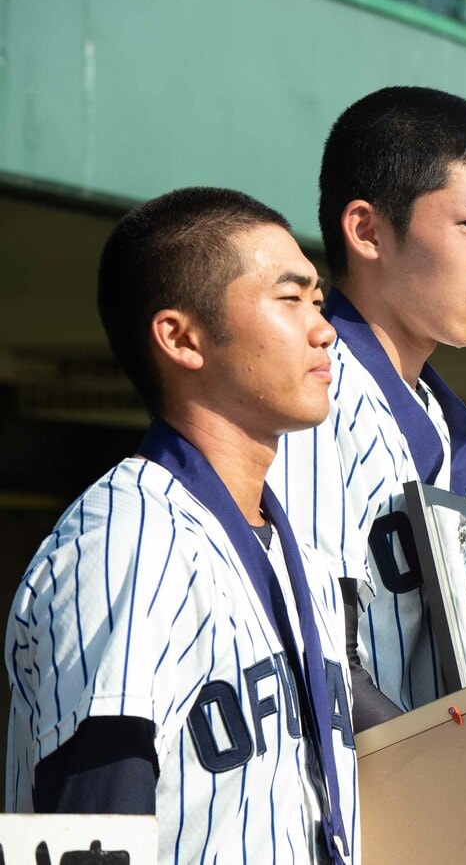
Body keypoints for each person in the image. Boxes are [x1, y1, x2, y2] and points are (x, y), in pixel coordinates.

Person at [6, 188, 358, 864]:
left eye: (318, 300)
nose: (324, 328)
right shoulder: (126, 543)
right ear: (181, 338)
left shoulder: (298, 555)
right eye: (289, 299)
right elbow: (85, 836)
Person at [271, 86, 466, 726]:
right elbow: (312, 652)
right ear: (367, 231)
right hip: (356, 810)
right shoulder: (310, 394)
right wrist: (451, 775)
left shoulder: (447, 417)